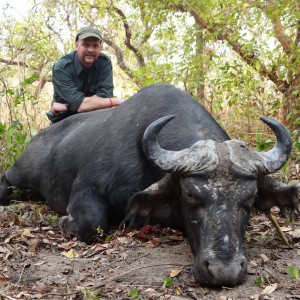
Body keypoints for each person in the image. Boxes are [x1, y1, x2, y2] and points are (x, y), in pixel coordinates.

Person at [47, 26, 125, 123]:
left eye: (95, 46)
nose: (91, 50)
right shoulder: (62, 67)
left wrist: (68, 107)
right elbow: (81, 105)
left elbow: (105, 97)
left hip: (93, 117)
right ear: (77, 46)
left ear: (100, 47)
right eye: (86, 45)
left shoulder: (104, 62)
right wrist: (117, 101)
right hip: (63, 120)